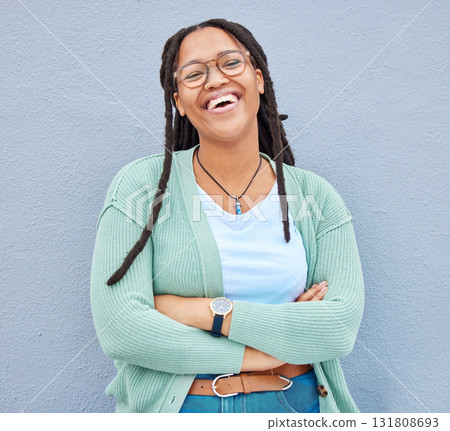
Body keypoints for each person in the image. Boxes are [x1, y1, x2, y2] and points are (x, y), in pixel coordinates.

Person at [90, 18, 365, 413]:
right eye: (194, 73)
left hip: (297, 406)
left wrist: (204, 311)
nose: (215, 79)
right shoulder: (140, 187)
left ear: (258, 80)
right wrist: (262, 354)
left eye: (229, 63)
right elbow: (122, 330)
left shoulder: (316, 196)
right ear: (179, 103)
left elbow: (338, 330)